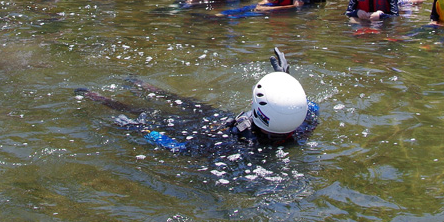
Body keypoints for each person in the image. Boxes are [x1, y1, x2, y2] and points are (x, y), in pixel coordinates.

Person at [79, 48, 318, 154]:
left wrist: (143, 131)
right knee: (184, 105)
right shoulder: (303, 124)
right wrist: (284, 81)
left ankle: (98, 96)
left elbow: (180, 148)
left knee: (162, 112)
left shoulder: (239, 146)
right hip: (227, 126)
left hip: (215, 132)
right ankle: (139, 90)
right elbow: (302, 105)